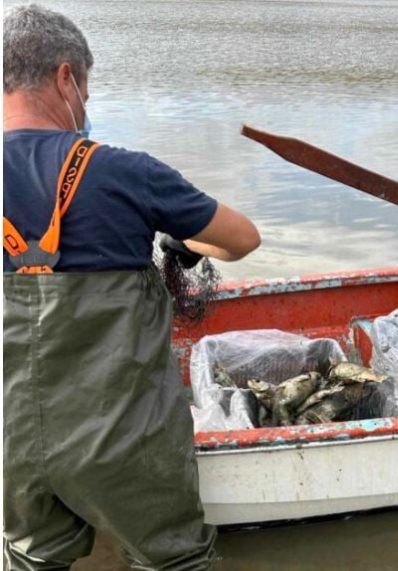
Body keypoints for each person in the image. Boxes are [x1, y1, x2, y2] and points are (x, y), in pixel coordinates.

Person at [3, 4, 260, 570]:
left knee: (29, 560)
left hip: (10, 446)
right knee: (175, 563)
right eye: (87, 89)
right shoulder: (124, 172)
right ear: (66, 77)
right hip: (124, 444)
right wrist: (186, 244)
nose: (86, 106)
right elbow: (242, 238)